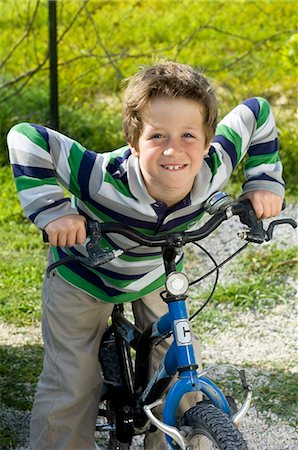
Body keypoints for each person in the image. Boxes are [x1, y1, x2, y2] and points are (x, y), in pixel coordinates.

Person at [7, 61, 284, 450]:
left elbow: (257, 112)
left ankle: (183, 437)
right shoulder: (101, 175)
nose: (175, 149)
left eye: (190, 135)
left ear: (208, 142)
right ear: (134, 142)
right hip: (85, 274)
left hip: (157, 272)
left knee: (180, 366)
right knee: (73, 382)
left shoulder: (213, 165)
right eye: (157, 136)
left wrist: (263, 180)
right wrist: (55, 211)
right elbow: (26, 138)